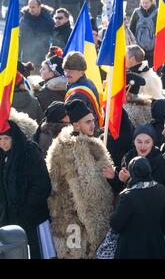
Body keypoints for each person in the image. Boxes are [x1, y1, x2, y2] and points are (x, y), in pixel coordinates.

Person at [46, 99, 114, 258]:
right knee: (74, 253)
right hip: (71, 219)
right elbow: (54, 184)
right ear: (76, 125)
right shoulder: (63, 148)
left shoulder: (95, 145)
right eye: (88, 122)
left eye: (93, 121)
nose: (93, 125)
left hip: (88, 219)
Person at [0, 120, 52, 259]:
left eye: (6, 138)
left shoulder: (29, 152)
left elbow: (42, 185)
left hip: (31, 219)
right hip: (8, 219)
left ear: (14, 138)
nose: (2, 143)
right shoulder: (2, 154)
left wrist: (26, 210)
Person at [110, 156, 165, 259]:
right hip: (156, 245)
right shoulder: (161, 189)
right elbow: (164, 222)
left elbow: (116, 224)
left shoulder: (128, 195)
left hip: (132, 248)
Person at [107, 123, 165, 195]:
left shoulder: (159, 160)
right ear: (134, 142)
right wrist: (114, 177)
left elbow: (154, 192)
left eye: (147, 142)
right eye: (139, 142)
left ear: (153, 143)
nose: (143, 146)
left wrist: (129, 180)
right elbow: (120, 188)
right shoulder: (128, 158)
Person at [63, 51, 102, 130]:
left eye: (71, 71)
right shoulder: (89, 82)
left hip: (83, 135)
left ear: (81, 72)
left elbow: (73, 122)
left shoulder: (77, 94)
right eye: (66, 70)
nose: (67, 74)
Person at [19, 0, 55, 67]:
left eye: (33, 7)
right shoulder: (24, 18)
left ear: (39, 7)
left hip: (42, 54)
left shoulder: (48, 19)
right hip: (27, 53)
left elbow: (54, 35)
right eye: (30, 7)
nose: (31, 9)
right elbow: (20, 35)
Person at [129, 0, 158, 67]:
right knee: (138, 66)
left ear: (151, 2)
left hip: (152, 47)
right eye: (143, 2)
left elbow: (159, 28)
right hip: (138, 45)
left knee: (150, 67)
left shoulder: (156, 13)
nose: (145, 4)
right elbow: (131, 28)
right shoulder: (137, 12)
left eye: (147, 3)